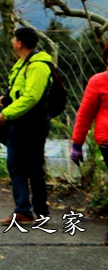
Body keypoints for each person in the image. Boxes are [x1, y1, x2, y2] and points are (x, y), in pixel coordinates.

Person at [0, 26, 53, 226]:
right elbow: (20, 92)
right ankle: (23, 211)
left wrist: (7, 113)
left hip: (33, 123)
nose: (12, 42)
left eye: (14, 39)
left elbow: (32, 96)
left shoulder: (38, 65)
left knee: (34, 168)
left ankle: (41, 211)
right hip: (19, 122)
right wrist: (7, 99)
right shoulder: (22, 64)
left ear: (20, 42)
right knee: (15, 165)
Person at [69, 41, 108, 245]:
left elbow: (84, 114)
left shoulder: (98, 80)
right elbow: (84, 114)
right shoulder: (98, 81)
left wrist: (77, 144)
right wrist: (77, 143)